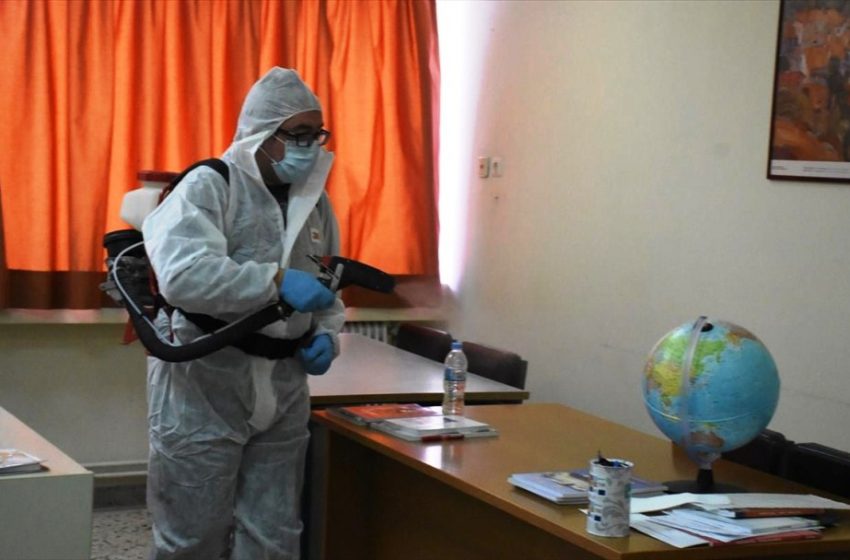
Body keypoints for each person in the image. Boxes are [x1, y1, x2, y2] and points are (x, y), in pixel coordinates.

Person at [141, 67, 345, 560]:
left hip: (284, 385)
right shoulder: (210, 186)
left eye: (316, 134)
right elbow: (184, 275)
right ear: (261, 132)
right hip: (206, 382)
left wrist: (328, 333)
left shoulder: (314, 202)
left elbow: (326, 285)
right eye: (297, 134)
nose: (309, 146)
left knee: (274, 534)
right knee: (192, 536)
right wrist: (273, 281)